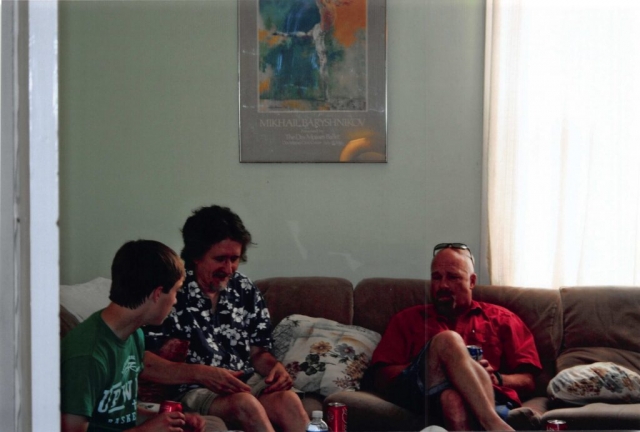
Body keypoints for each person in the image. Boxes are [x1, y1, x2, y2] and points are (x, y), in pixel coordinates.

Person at [142, 205, 309, 432]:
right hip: (192, 388)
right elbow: (142, 359)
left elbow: (258, 352)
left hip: (242, 381)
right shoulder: (171, 292)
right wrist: (202, 373)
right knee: (245, 404)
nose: (229, 268)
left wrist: (275, 368)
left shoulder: (244, 288)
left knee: (288, 401)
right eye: (220, 259)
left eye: (235, 259)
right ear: (196, 256)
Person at [369, 243, 542, 431]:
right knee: (447, 340)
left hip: (486, 396)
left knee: (452, 399)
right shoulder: (407, 319)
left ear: (472, 281)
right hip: (422, 395)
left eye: (453, 277)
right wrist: (437, 367)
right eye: (436, 277)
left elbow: (530, 380)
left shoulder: (502, 319)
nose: (443, 285)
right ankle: (494, 425)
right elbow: (380, 377)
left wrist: (496, 378)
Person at [61, 240, 206, 432]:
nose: (175, 301)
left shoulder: (134, 335)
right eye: (176, 291)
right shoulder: (89, 354)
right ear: (157, 293)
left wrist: (169, 421)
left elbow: (120, 414)